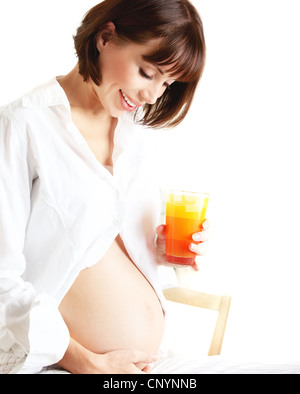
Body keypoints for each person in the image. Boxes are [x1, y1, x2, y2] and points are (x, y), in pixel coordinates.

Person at [0, 0, 208, 374]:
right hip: (60, 366)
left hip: (143, 367)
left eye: (167, 84)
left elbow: (100, 243)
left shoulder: (136, 132)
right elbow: (1, 277)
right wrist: (88, 363)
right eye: (147, 72)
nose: (152, 95)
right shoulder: (24, 125)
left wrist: (160, 249)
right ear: (106, 37)